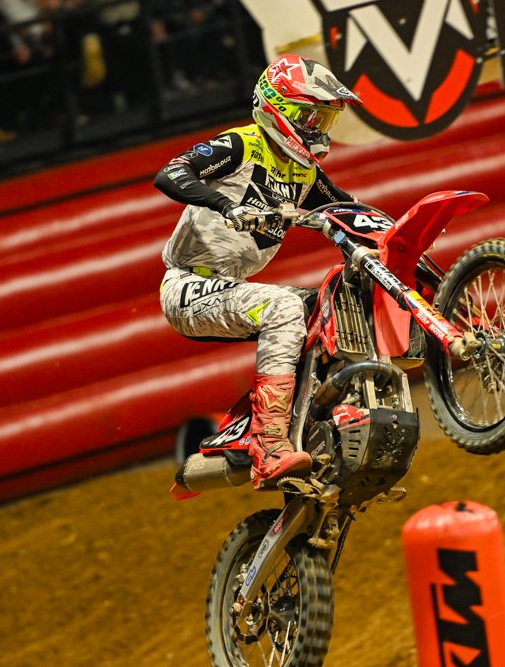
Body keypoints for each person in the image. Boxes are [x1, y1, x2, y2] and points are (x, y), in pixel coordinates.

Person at [154, 55, 361, 487]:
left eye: (324, 120)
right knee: (284, 307)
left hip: (230, 287)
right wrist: (227, 205)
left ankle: (310, 421)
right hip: (189, 284)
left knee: (330, 301)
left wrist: (394, 232)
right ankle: (268, 446)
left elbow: (347, 209)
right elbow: (171, 173)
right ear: (277, 108)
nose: (318, 129)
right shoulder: (241, 144)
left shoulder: (304, 170)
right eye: (310, 117)